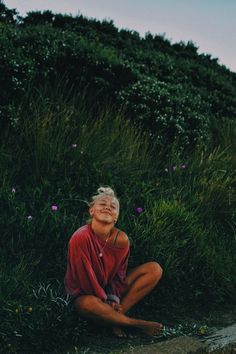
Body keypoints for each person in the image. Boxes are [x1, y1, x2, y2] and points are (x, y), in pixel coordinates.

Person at [64, 186, 163, 337]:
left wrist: (113, 299)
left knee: (155, 269)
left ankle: (116, 316)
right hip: (85, 294)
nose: (107, 207)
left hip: (108, 294)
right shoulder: (81, 237)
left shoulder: (122, 240)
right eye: (102, 204)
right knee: (88, 303)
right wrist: (105, 301)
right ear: (92, 211)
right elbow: (85, 280)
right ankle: (133, 324)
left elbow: (119, 276)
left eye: (113, 206)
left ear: (116, 216)